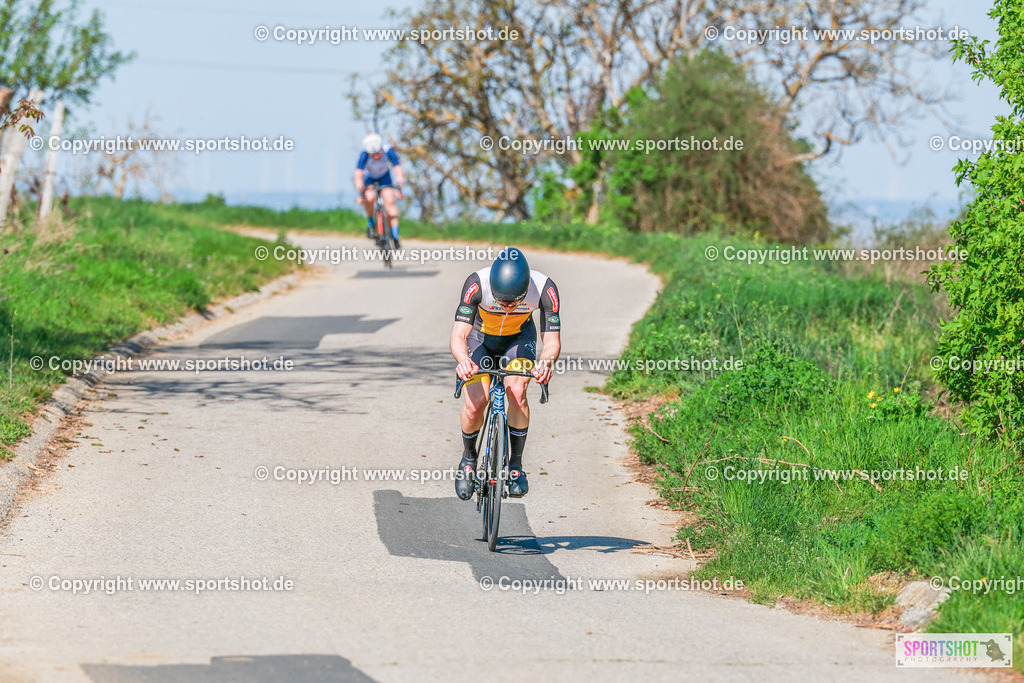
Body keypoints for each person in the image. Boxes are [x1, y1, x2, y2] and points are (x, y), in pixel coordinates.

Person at [450, 247, 561, 500]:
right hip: (480, 339)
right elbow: (458, 335)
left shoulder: (545, 288)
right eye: (501, 302)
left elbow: (552, 341)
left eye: (514, 303)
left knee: (518, 393)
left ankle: (516, 466)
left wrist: (544, 363)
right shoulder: (476, 284)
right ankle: (468, 459)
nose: (508, 308)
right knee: (476, 403)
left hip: (518, 341)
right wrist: (464, 360)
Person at [354, 132, 405, 248]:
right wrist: (360, 191)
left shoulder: (388, 151)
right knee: (369, 197)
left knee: (390, 203)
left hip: (385, 178)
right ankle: (371, 223)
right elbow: (358, 174)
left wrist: (399, 186)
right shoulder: (364, 155)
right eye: (373, 154)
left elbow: (398, 169)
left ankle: (395, 236)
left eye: (378, 153)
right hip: (370, 179)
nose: (376, 156)